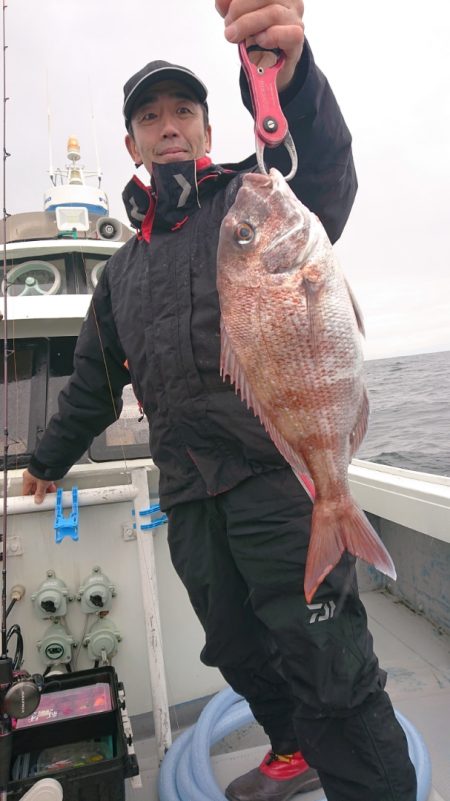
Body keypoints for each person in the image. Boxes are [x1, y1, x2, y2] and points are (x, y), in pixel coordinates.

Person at [23, 1, 417, 799]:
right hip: (191, 501)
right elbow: (94, 382)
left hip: (276, 483)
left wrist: (286, 74)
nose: (169, 126)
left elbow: (323, 174)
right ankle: (292, 745)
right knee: (235, 652)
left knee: (330, 666)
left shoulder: (253, 206)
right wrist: (46, 461)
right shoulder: (120, 273)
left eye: (184, 111)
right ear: (131, 141)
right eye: (150, 116)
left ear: (207, 128)